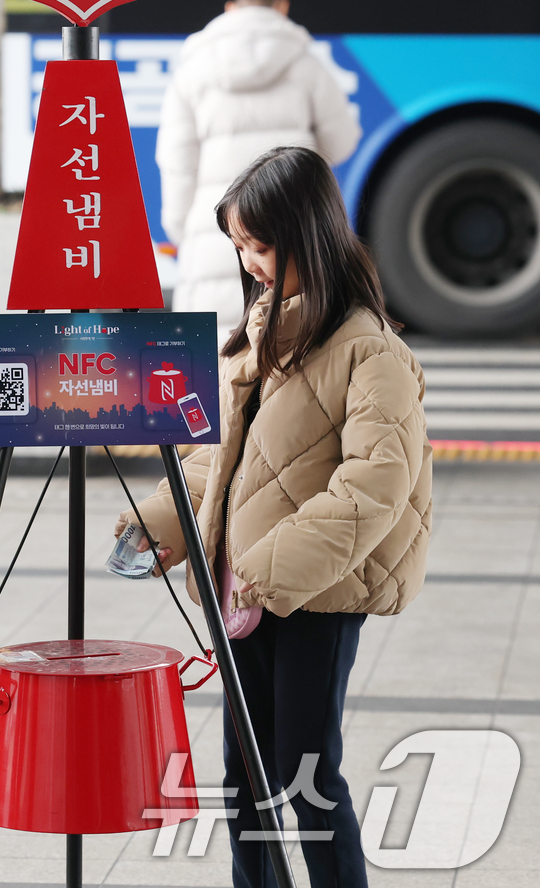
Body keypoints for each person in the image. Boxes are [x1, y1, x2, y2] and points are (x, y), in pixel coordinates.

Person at [115, 146, 431, 888]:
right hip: (248, 591)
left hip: (316, 594)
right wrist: (160, 524)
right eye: (239, 246)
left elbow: (375, 485)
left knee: (304, 771)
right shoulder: (258, 335)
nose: (249, 263)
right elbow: (218, 459)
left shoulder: (371, 351)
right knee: (246, 771)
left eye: (259, 245)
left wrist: (267, 567)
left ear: (305, 237)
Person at [156, 0, 361, 341]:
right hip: (289, 228)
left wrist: (182, 228)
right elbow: (341, 142)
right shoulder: (307, 63)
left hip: (217, 230)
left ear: (230, 8)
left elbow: (176, 159)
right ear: (281, 6)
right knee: (289, 340)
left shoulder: (193, 68)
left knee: (216, 347)